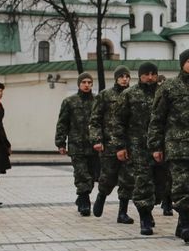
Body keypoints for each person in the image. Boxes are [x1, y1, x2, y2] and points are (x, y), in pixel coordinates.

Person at [148, 49, 189, 242]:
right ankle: (186, 224)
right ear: (182, 64)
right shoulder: (169, 88)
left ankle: (181, 225)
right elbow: (157, 119)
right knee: (182, 186)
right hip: (176, 146)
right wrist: (156, 146)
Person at [111, 62, 160, 235]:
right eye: (146, 74)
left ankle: (150, 209)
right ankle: (145, 217)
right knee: (143, 182)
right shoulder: (129, 95)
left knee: (160, 183)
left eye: (153, 74)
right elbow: (118, 122)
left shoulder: (162, 93)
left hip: (160, 146)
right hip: (137, 146)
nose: (150, 77)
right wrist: (120, 146)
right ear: (140, 75)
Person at [90, 66, 134, 224]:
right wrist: (97, 140)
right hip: (109, 145)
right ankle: (101, 195)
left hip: (129, 145)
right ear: (116, 78)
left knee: (127, 180)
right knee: (108, 177)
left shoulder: (133, 95)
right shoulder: (105, 95)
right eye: (121, 76)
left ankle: (122, 213)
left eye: (127, 76)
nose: (124, 79)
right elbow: (95, 120)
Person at [55, 72, 99, 216]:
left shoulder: (97, 101)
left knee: (92, 176)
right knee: (81, 174)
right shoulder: (70, 102)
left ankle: (81, 197)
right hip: (76, 145)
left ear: (92, 84)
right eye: (84, 82)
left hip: (93, 145)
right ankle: (85, 202)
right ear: (79, 84)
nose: (86, 85)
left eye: (89, 82)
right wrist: (61, 142)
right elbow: (63, 123)